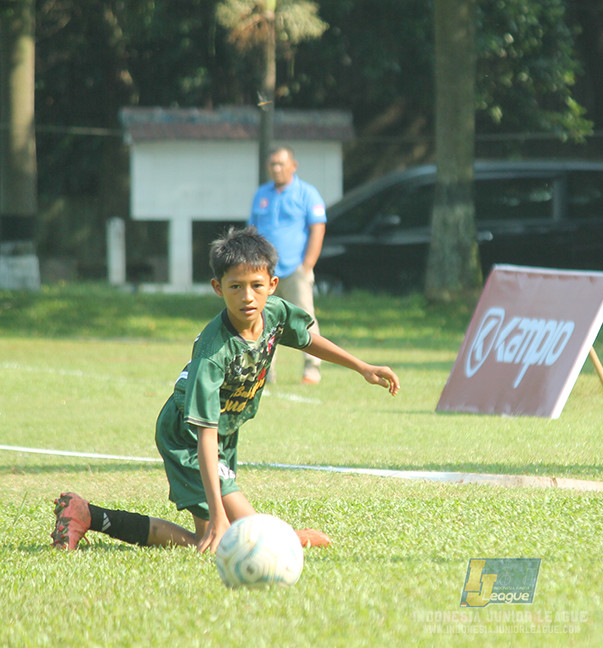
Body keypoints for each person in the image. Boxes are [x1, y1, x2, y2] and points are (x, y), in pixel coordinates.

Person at [51, 227, 401, 554]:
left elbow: (309, 339)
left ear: (273, 285)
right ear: (218, 287)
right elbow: (204, 434)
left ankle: (88, 515)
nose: (247, 296)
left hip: (223, 432)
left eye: (256, 285)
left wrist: (362, 366)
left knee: (206, 540)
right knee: (251, 534)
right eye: (235, 286)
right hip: (188, 435)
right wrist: (219, 511)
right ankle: (285, 539)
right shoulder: (213, 353)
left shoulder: (275, 313)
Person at [248, 146, 327, 385]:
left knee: (304, 319)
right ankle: (263, 373)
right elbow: (252, 230)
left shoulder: (307, 193)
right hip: (264, 271)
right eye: (273, 164)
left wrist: (307, 265)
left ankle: (312, 369)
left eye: (281, 164)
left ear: (293, 166)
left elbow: (318, 227)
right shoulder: (262, 194)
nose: (277, 169)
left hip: (294, 270)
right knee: (262, 321)